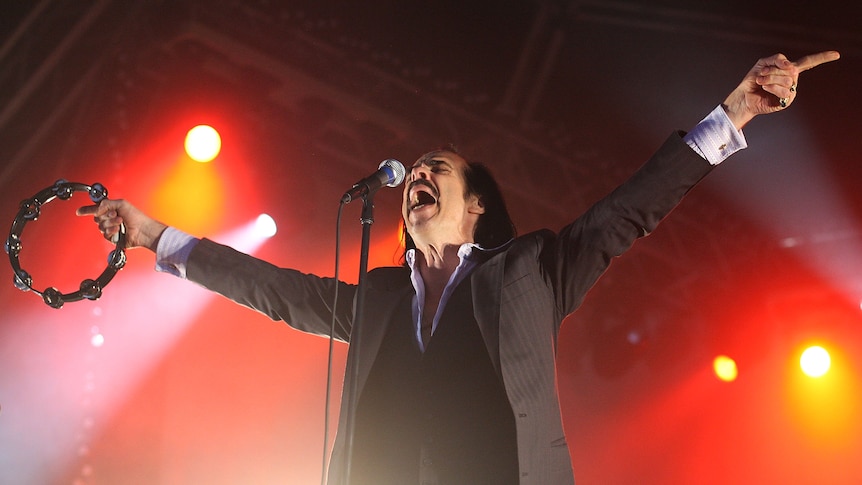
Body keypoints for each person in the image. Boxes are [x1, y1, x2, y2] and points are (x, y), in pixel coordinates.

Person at [78, 51, 839, 484]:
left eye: (435, 167)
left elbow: (628, 211)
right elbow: (274, 291)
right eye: (413, 168)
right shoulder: (378, 295)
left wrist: (732, 114)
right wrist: (159, 238)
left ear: (475, 205)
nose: (417, 173)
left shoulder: (534, 269)